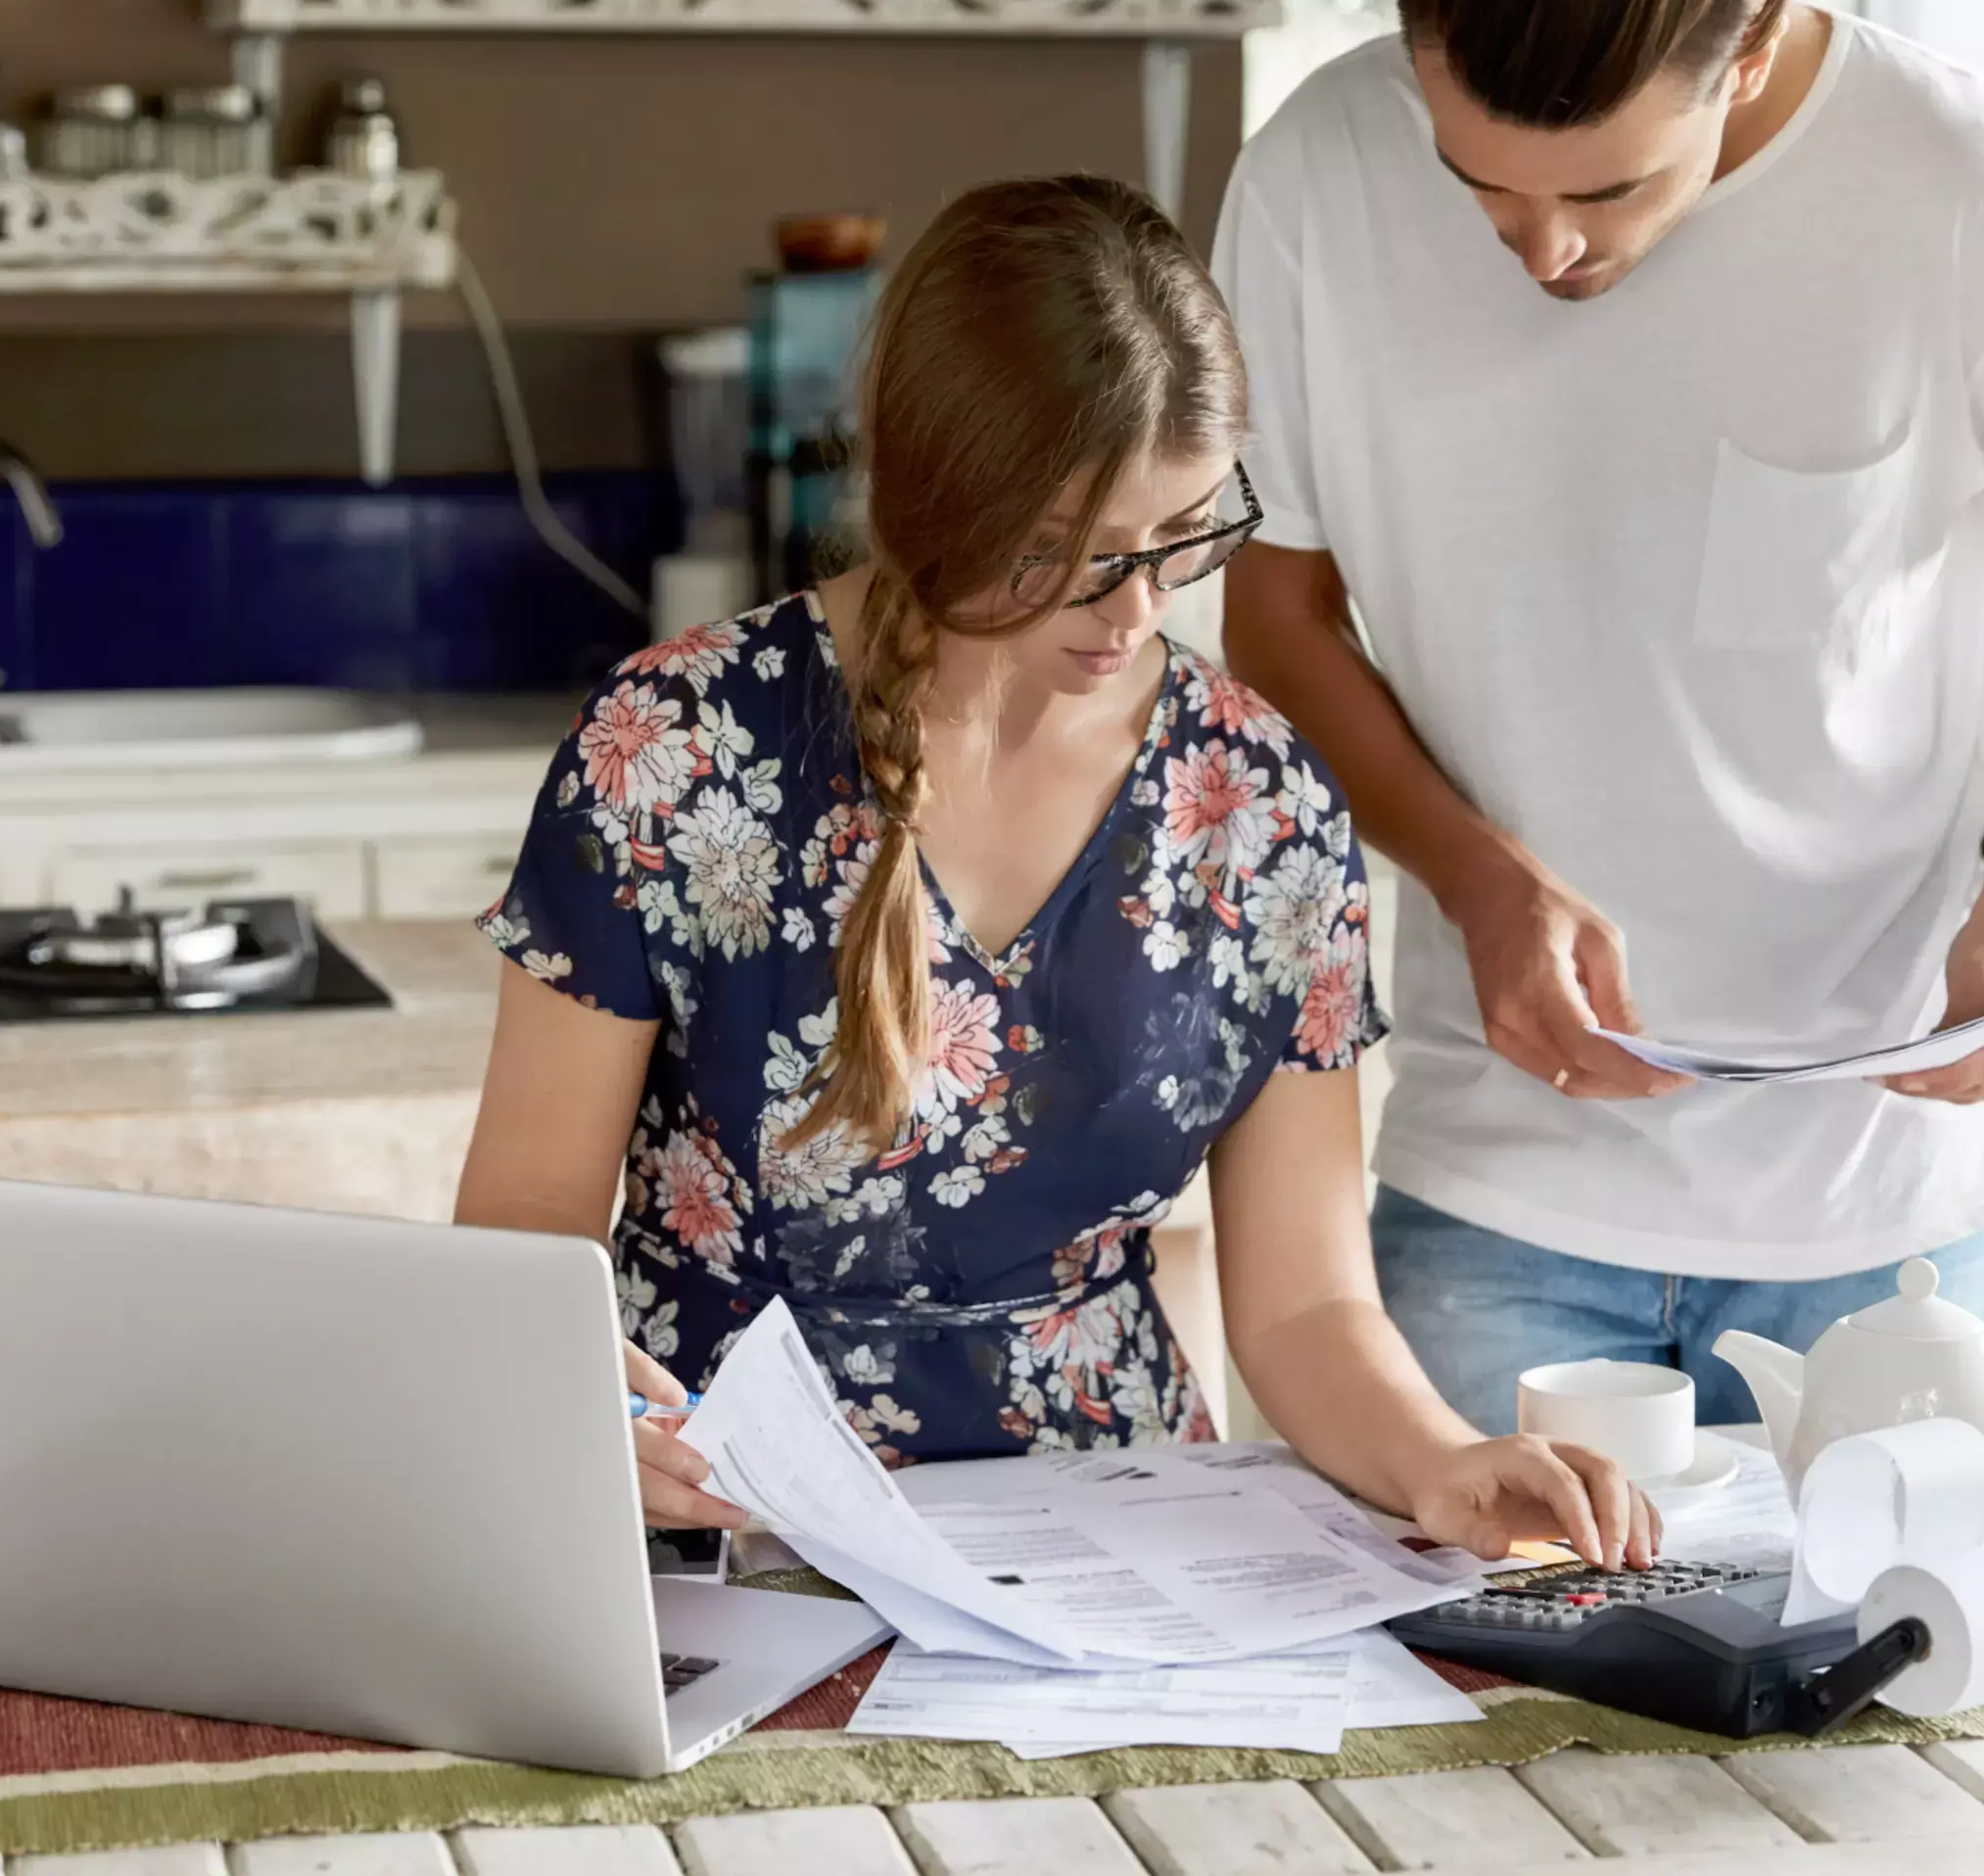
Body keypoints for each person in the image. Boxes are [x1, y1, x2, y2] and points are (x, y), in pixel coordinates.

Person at [455, 175, 1657, 1568]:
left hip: (1118, 1549)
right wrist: (588, 1409)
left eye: (1182, 537)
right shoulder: (670, 749)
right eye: (1065, 556)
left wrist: (1442, 1461)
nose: (1137, 611)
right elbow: (526, 1224)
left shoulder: (1260, 804)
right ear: (935, 495)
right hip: (723, 1528)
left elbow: (1306, 1307)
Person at [1214, 0, 1984, 1432]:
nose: (1543, 251)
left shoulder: (1962, 179)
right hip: (1498, 1176)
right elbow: (1276, 616)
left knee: (1879, 1590)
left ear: (1748, 51)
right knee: (1462, 1594)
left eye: (1606, 191)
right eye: (1478, 186)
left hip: (1888, 1196)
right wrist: (1478, 883)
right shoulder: (1315, 172)